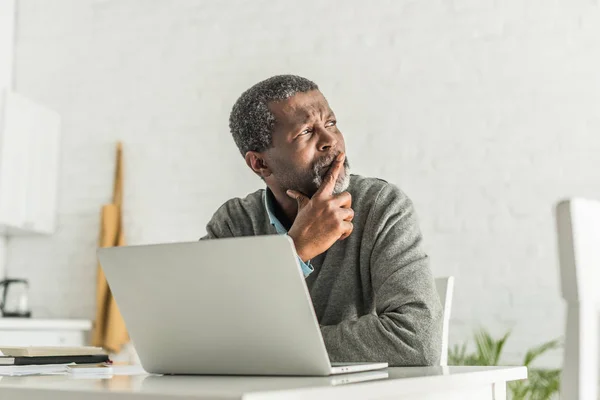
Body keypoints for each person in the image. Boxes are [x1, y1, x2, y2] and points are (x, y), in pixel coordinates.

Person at [201, 75, 442, 366]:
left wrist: (263, 348)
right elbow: (198, 335)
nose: (331, 141)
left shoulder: (381, 207)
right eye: (305, 132)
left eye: (331, 124)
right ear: (260, 163)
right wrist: (296, 251)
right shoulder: (234, 224)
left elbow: (417, 340)